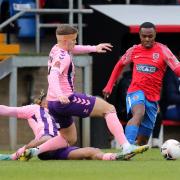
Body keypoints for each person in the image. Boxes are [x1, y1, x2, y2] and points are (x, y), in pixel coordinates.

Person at [20, 24, 149, 161]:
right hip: (65, 100)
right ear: (65, 41)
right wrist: (60, 94)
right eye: (74, 39)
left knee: (68, 138)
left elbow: (74, 49)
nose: (75, 42)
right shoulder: (64, 57)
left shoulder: (56, 48)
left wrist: (94, 48)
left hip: (53, 104)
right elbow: (52, 76)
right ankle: (126, 146)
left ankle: (35, 151)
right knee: (109, 109)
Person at [103, 22, 180, 146]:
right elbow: (119, 65)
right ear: (140, 36)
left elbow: (177, 69)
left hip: (153, 97)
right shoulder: (134, 50)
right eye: (144, 36)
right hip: (135, 91)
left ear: (155, 35)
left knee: (143, 141)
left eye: (150, 36)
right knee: (139, 113)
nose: (147, 39)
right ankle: (126, 147)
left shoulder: (163, 50)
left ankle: (134, 148)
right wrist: (109, 85)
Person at [0, 91, 121, 161]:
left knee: (91, 151)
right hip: (44, 142)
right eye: (49, 97)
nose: (52, 99)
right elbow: (8, 110)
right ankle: (17, 155)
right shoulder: (34, 109)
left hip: (59, 149)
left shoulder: (59, 111)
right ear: (41, 101)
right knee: (47, 138)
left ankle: (114, 157)